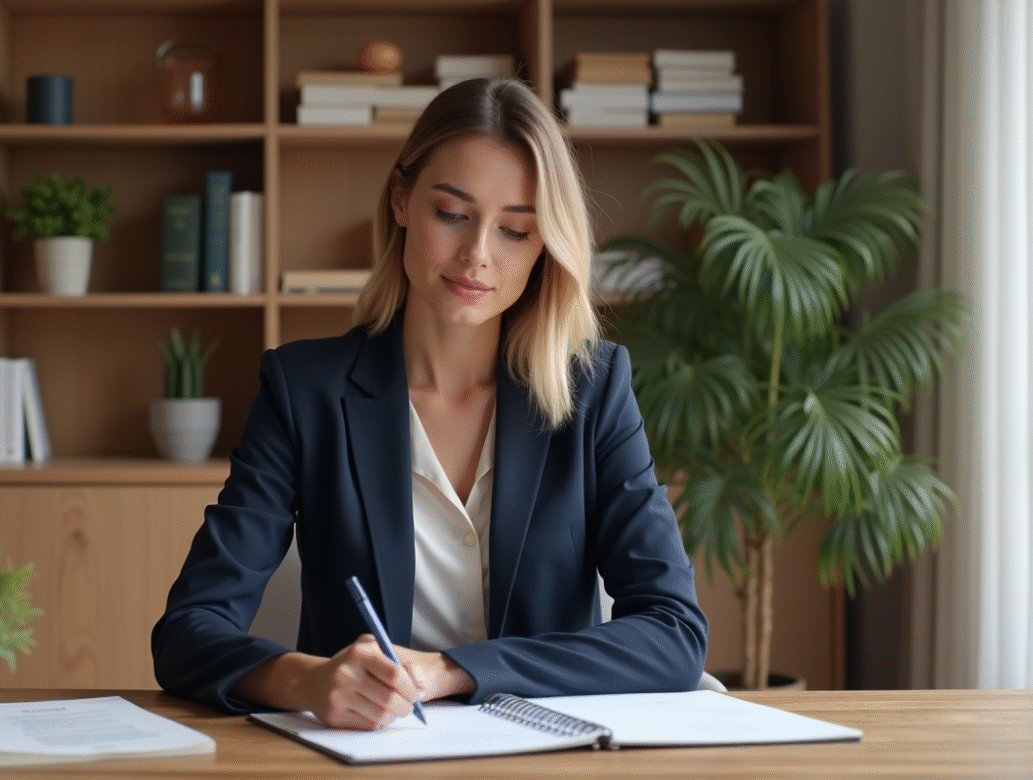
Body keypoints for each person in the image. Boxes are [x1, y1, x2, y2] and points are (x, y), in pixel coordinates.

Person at [151, 77, 708, 730]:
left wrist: (451, 669)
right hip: (369, 760)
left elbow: (674, 633)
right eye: (451, 214)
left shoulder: (594, 391)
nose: (477, 255)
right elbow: (188, 631)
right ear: (401, 200)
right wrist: (310, 678)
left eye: (516, 231)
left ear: (545, 246)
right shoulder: (304, 390)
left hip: (545, 762)